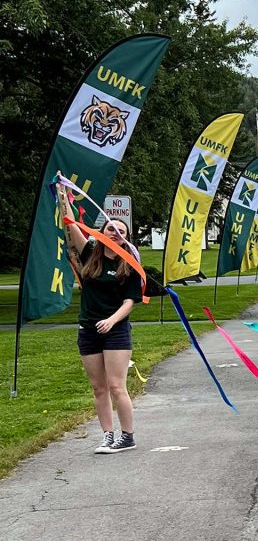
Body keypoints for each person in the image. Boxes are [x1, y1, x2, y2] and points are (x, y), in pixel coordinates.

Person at [59, 182, 143, 454]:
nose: (115, 233)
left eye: (121, 232)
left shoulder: (128, 263)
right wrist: (63, 196)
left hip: (115, 330)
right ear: (103, 231)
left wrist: (113, 320)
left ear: (126, 238)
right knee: (98, 388)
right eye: (111, 229)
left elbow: (130, 301)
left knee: (117, 385)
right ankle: (108, 435)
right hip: (88, 329)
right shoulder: (90, 254)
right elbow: (71, 224)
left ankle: (127, 436)